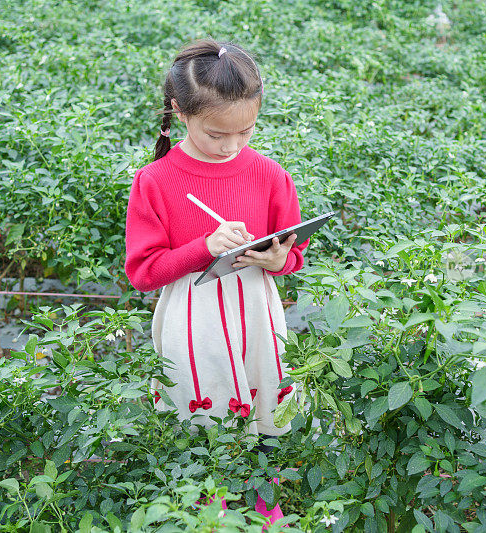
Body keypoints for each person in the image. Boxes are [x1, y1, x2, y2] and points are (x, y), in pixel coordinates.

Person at [124, 38, 307, 526]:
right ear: (179, 111)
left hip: (256, 310)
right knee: (202, 412)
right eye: (216, 134)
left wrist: (275, 260)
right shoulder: (155, 181)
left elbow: (293, 256)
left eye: (244, 132)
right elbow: (143, 272)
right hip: (193, 317)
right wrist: (204, 247)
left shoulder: (269, 175)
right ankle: (210, 511)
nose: (231, 146)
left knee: (263, 402)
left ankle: (265, 503)